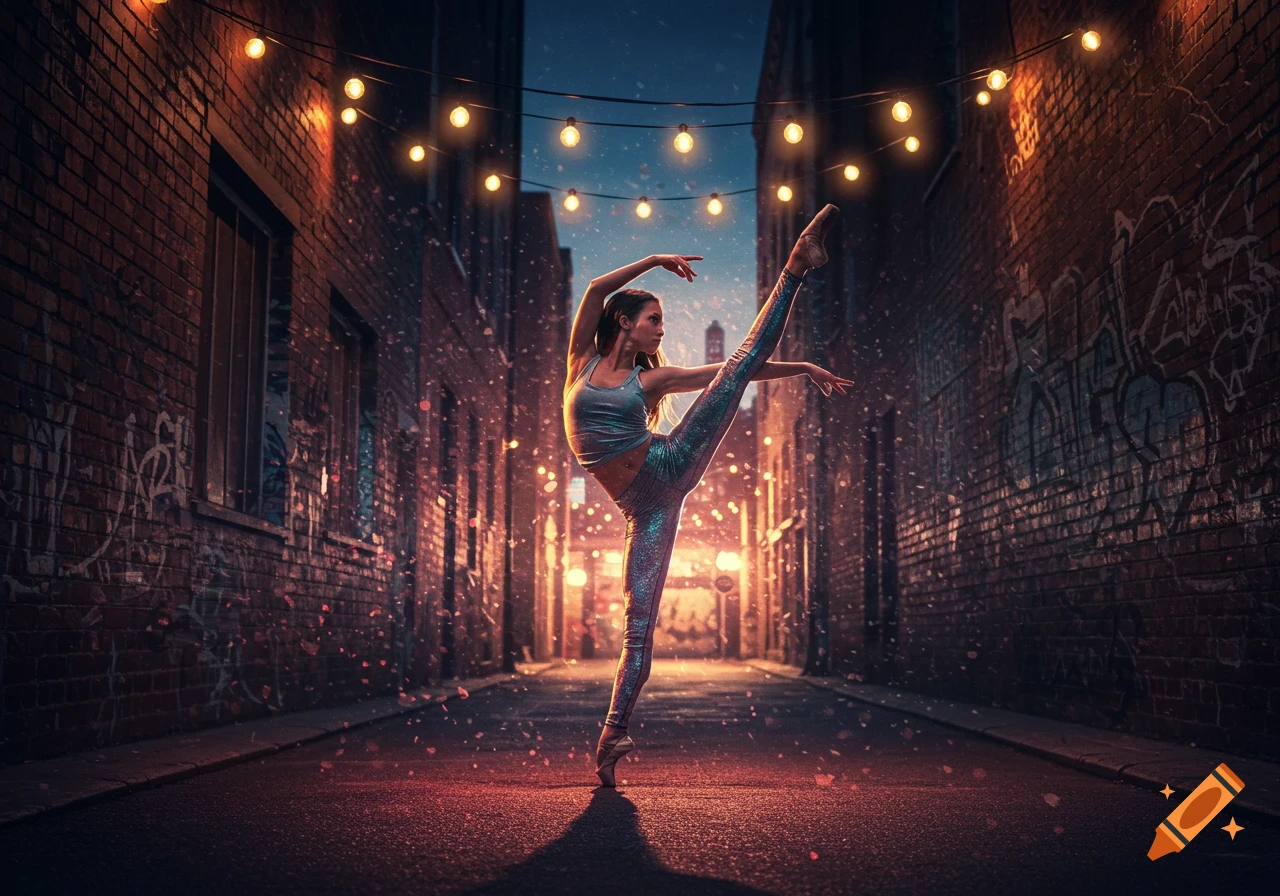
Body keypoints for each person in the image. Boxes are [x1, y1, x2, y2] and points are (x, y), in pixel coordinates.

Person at [562, 204, 849, 786]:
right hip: (645, 507)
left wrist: (801, 368)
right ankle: (611, 737)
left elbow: (733, 372)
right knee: (637, 623)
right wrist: (654, 261)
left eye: (662, 318)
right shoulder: (580, 363)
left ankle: (796, 265)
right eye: (654, 317)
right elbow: (594, 286)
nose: (661, 327)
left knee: (740, 362)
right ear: (625, 323)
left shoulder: (654, 381)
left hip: (671, 463)